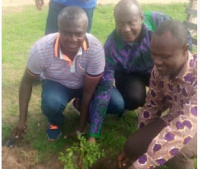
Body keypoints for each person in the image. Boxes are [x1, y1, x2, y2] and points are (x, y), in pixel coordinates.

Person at [88, 0, 193, 143]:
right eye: (119, 23)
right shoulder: (111, 47)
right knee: (134, 98)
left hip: (160, 69)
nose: (125, 29)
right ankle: (140, 104)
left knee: (177, 91)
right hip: (131, 75)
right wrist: (93, 134)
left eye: (131, 22)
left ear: (142, 17)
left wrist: (185, 69)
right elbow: (104, 88)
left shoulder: (159, 21)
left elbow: (182, 37)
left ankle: (177, 116)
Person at [12, 6, 105, 141]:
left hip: (84, 86)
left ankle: (79, 105)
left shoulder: (95, 49)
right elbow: (26, 82)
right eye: (66, 33)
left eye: (79, 34)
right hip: (57, 84)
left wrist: (81, 127)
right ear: (58, 28)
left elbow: (88, 92)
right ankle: (55, 122)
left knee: (115, 103)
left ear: (86, 30)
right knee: (51, 103)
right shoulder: (41, 49)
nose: (72, 39)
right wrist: (21, 122)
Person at [118, 20, 197, 169]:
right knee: (132, 146)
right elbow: (152, 106)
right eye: (154, 55)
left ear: (184, 50)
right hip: (175, 118)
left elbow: (187, 125)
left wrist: (143, 164)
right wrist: (140, 146)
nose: (157, 62)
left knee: (176, 151)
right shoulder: (159, 71)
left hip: (194, 124)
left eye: (165, 57)